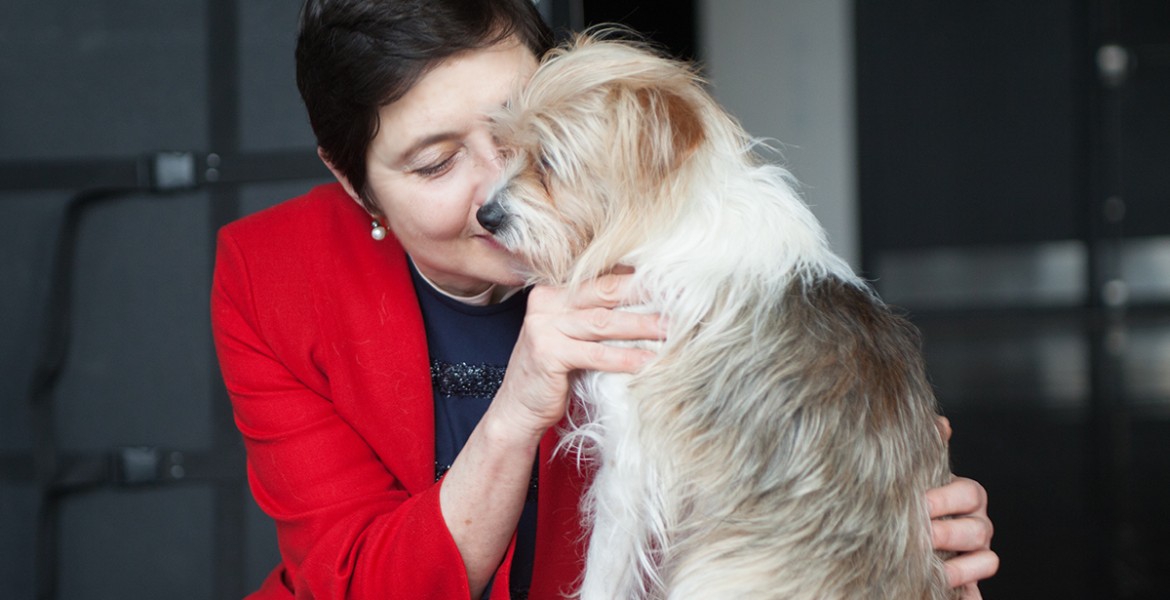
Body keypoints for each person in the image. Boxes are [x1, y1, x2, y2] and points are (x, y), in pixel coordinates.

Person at [211, 1, 999, 598]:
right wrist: (516, 411)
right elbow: (355, 584)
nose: (497, 191)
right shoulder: (273, 276)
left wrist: (878, 519)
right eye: (435, 164)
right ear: (352, 181)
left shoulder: (684, 254)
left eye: (525, 135)